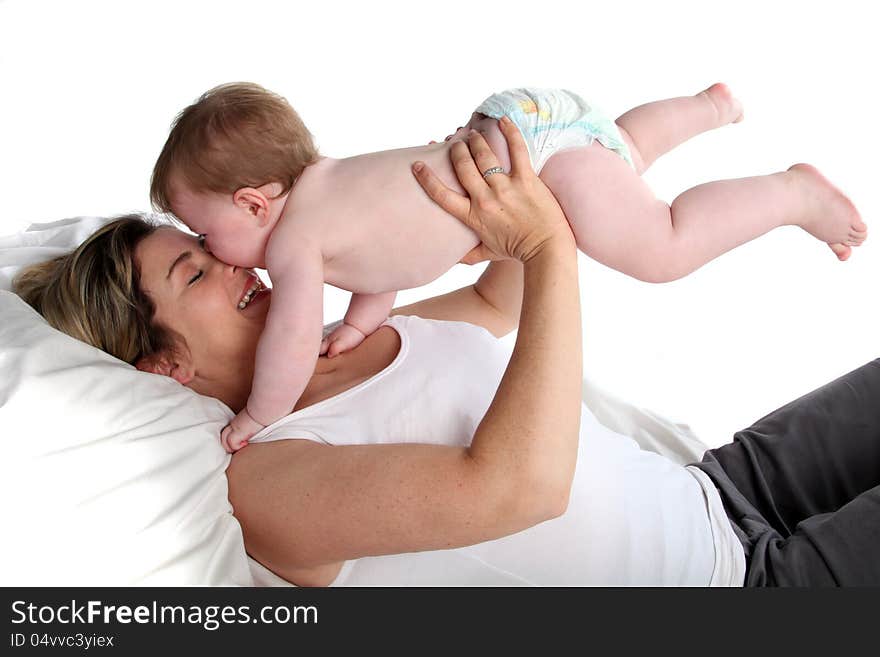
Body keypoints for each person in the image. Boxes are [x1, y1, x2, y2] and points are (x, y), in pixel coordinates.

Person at [15, 125, 878, 586]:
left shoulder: (335, 341)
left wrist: (480, 195)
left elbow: (496, 302)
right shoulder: (266, 480)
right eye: (195, 267)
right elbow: (518, 487)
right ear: (162, 363)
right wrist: (544, 250)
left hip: (724, 485)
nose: (239, 258)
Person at [148, 82, 868, 451]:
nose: (209, 249)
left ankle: (790, 194)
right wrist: (365, 321)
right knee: (619, 154)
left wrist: (258, 413)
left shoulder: (298, 241)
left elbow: (291, 342)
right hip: (520, 123)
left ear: (251, 203)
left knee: (663, 242)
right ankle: (708, 108)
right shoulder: (331, 183)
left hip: (530, 155)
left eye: (204, 233)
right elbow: (382, 259)